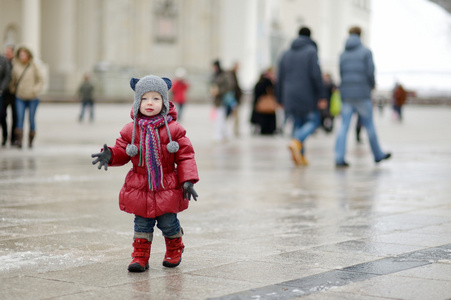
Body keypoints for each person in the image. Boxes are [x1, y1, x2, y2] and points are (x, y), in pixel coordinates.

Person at [91, 75, 199, 273]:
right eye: (144, 98)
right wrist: (111, 155)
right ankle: (140, 256)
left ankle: (174, 248)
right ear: (137, 101)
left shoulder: (174, 130)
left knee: (168, 223)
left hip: (167, 184)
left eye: (156, 98)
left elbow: (186, 156)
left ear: (165, 102)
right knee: (141, 224)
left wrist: (188, 180)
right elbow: (123, 151)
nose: (149, 103)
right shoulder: (130, 130)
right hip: (140, 184)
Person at [335, 26, 391, 167]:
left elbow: (341, 73)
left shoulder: (343, 54)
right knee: (369, 125)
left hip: (347, 94)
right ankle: (377, 154)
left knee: (343, 126)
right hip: (362, 94)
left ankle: (339, 157)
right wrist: (372, 85)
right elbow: (370, 72)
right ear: (361, 35)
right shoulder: (366, 52)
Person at [276, 26, 327, 165]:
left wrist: (279, 98)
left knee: (297, 123)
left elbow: (279, 78)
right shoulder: (311, 52)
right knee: (313, 122)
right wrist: (322, 95)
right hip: (307, 94)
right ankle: (296, 141)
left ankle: (300, 156)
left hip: (289, 95)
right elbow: (316, 75)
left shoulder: (285, 54)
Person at [10, 45, 44, 148]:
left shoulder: (34, 66)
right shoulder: (15, 66)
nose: (22, 56)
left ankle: (30, 140)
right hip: (20, 96)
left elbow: (41, 80)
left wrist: (35, 90)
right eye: (20, 54)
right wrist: (13, 89)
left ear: (28, 55)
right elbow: (13, 80)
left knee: (31, 119)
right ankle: (19, 141)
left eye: (24, 54)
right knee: (20, 118)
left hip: (32, 97)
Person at [210, 59, 236, 142]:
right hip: (217, 100)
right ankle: (223, 134)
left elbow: (230, 86)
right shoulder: (215, 75)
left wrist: (219, 91)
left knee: (221, 117)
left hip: (224, 100)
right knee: (220, 117)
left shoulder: (225, 75)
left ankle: (219, 135)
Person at [250, 67, 277, 135]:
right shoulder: (269, 83)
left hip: (260, 103)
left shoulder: (259, 82)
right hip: (267, 103)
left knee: (262, 118)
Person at [0, 45, 14, 147]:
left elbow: (7, 76)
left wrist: (1, 88)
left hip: (4, 93)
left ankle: (8, 137)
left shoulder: (3, 61)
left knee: (2, 115)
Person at [230, 62, 243, 136]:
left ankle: (236, 130)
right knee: (235, 116)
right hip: (233, 99)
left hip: (236, 99)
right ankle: (235, 131)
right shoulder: (232, 75)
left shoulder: (234, 75)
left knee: (236, 116)